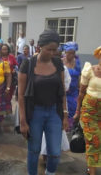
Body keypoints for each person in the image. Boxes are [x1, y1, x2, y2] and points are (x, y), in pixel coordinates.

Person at [18, 29, 68, 175]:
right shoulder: (27, 64)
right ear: (40, 47)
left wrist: (65, 114)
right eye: (49, 49)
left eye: (55, 50)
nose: (53, 53)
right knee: (34, 150)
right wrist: (23, 121)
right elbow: (20, 95)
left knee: (55, 153)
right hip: (35, 113)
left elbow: (62, 91)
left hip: (54, 112)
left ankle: (50, 173)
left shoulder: (58, 63)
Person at [73, 46, 101, 175]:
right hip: (89, 111)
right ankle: (92, 171)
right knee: (93, 140)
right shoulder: (90, 70)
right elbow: (81, 93)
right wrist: (78, 112)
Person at [62, 41, 81, 131]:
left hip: (74, 92)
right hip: (64, 92)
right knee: (65, 110)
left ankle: (70, 129)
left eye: (73, 53)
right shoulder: (61, 62)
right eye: (69, 53)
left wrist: (80, 89)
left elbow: (79, 76)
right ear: (65, 52)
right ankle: (64, 128)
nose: (71, 55)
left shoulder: (77, 62)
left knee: (74, 110)